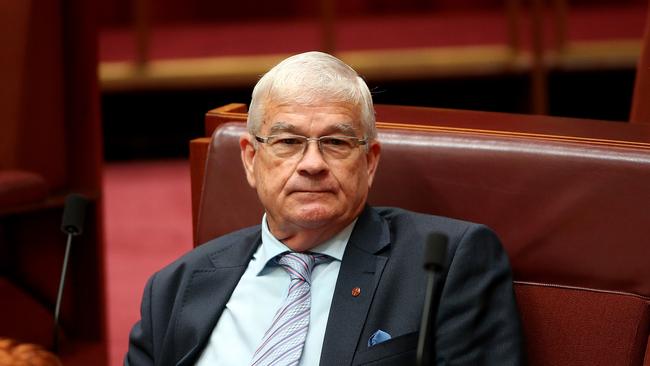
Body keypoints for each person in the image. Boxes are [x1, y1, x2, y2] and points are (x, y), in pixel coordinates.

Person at [125, 51, 524, 366]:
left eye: (335, 142)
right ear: (250, 159)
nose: (312, 163)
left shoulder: (445, 264)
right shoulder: (175, 286)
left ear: (369, 162)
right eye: (287, 142)